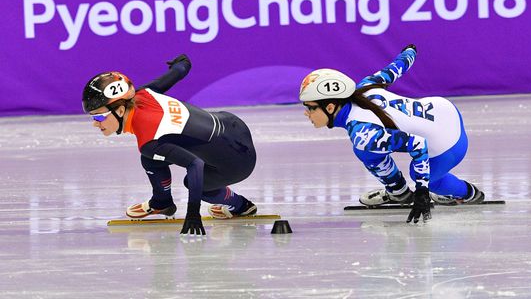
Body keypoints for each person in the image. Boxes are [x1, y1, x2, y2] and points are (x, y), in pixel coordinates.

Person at [298, 44, 484, 223]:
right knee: (367, 150)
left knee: (425, 177)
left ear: (330, 107)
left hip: (450, 144)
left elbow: (418, 144)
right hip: (445, 110)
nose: (306, 113)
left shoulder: (363, 133)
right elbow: (396, 68)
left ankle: (468, 193)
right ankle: (398, 192)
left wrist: (422, 191)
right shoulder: (365, 86)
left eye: (310, 108)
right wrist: (410, 52)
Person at [82, 55, 257, 235]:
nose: (95, 123)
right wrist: (183, 61)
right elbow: (180, 71)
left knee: (195, 184)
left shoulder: (149, 140)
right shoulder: (145, 93)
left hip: (238, 162)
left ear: (120, 110)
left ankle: (241, 205)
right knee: (150, 159)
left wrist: (192, 214)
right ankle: (162, 202)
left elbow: (195, 164)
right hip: (233, 126)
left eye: (98, 116)